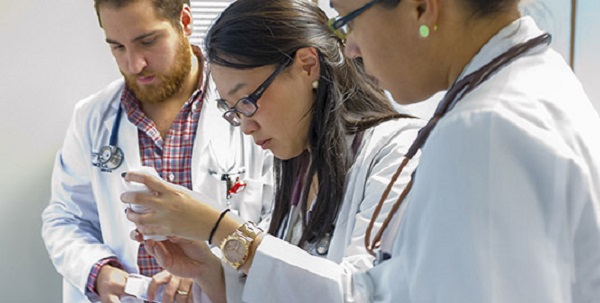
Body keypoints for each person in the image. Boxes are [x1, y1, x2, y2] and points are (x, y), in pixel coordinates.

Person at [120, 0, 424, 302]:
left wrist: (221, 229)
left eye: (247, 100)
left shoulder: (398, 151)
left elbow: (363, 293)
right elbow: (278, 289)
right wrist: (207, 270)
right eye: (233, 110)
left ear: (307, 65)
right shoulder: (298, 166)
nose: (245, 125)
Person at [325, 0, 600, 301]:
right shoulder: (540, 79)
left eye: (348, 22)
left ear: (421, 8)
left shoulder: (484, 130)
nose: (350, 49)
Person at [41, 0, 273, 302]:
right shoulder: (92, 118)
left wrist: (208, 270)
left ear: (185, 21)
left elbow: (278, 223)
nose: (134, 64)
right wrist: (98, 271)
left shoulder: (246, 105)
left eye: (147, 42)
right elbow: (64, 218)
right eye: (117, 48)